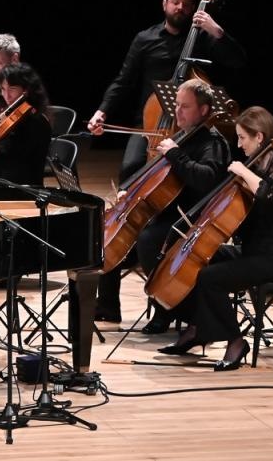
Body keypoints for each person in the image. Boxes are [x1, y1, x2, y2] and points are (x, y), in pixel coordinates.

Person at [156, 106, 273, 370]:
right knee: (198, 260)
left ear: (259, 137)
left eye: (243, 137)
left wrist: (243, 172)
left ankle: (235, 341)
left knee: (211, 278)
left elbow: (267, 194)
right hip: (252, 251)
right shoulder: (256, 164)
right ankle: (197, 327)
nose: (239, 143)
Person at [92, 78, 229, 326]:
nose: (177, 111)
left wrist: (175, 153)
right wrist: (129, 190)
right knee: (107, 235)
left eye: (184, 106)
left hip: (189, 217)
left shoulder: (213, 142)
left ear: (204, 110)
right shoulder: (182, 136)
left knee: (148, 238)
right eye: (176, 105)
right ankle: (108, 306)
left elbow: (206, 179)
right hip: (164, 211)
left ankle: (165, 309)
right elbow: (154, 175)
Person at [87, 0, 246, 184]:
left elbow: (238, 61)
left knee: (184, 176)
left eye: (187, 4)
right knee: (129, 169)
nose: (180, 7)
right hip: (149, 123)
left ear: (194, 8)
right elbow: (123, 80)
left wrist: (217, 31)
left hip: (192, 128)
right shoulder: (145, 39)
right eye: (175, 2)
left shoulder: (203, 38)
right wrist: (102, 111)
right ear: (165, 4)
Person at [0, 62, 54, 189]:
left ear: (26, 90)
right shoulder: (11, 113)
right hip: (4, 181)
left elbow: (20, 159)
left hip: (22, 186)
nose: (7, 96)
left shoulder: (37, 121)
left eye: (12, 89)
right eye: (3, 89)